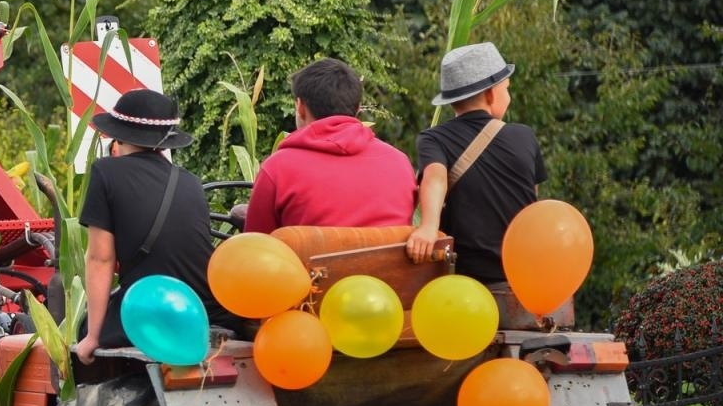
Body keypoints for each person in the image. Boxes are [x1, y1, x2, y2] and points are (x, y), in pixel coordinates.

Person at [74, 89, 232, 364]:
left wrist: (93, 337)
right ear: (166, 142)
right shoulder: (190, 181)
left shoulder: (105, 172)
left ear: (119, 137)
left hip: (152, 310)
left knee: (84, 328)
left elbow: (101, 258)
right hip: (205, 311)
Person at [405, 42, 545, 282]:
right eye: (506, 89)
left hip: (467, 281)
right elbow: (532, 203)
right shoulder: (524, 136)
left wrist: (428, 227)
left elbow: (435, 178)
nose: (509, 97)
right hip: (523, 277)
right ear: (491, 94)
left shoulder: (434, 139)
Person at [242, 58, 415, 233]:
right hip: (387, 253)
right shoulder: (399, 163)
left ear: (300, 107)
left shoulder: (278, 169)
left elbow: (256, 244)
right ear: (358, 109)